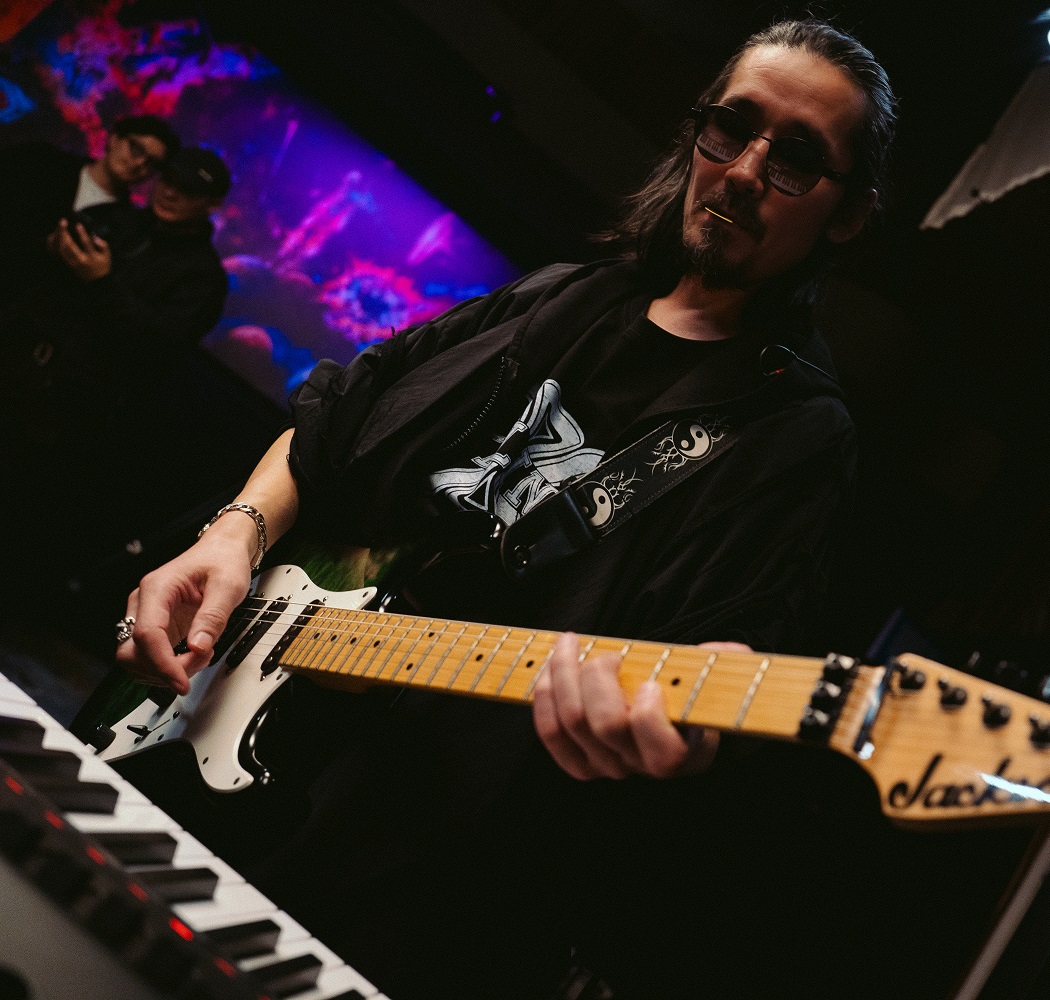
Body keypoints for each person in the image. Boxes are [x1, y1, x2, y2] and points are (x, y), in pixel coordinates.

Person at [117, 19, 898, 999]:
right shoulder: (568, 295)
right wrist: (235, 534)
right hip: (224, 731)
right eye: (731, 129)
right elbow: (334, 419)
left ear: (847, 215)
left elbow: (724, 654)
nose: (743, 171)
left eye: (794, 161)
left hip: (411, 871)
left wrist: (689, 736)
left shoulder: (794, 430)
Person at [0, 143, 232, 592]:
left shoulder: (202, 277)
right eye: (168, 180)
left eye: (187, 190)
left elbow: (155, 349)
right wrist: (51, 249)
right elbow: (35, 280)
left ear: (210, 205)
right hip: (14, 359)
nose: (170, 193)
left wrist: (102, 283)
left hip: (57, 411)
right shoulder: (116, 219)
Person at [0, 113, 179, 311]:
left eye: (152, 164)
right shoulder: (42, 160)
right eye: (136, 149)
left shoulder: (127, 227)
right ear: (115, 138)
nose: (139, 164)